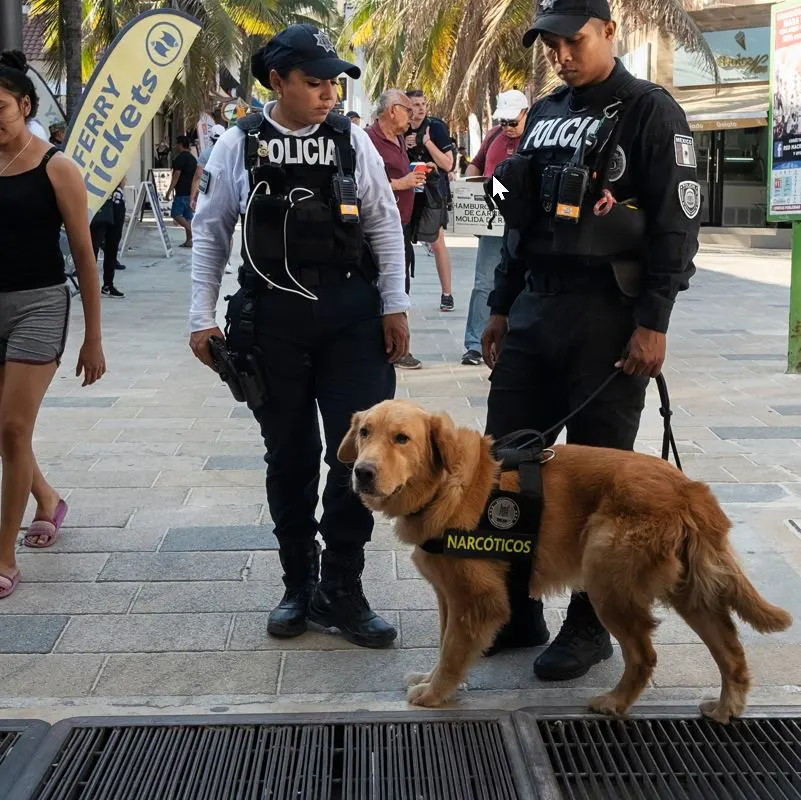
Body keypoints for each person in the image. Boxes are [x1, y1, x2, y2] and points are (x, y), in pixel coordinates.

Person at [481, 0, 700, 681]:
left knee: (598, 474)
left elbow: (675, 223)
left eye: (573, 41)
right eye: (550, 45)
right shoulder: (545, 113)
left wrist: (653, 320)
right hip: (535, 309)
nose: (561, 55)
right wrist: (498, 307)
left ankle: (589, 624)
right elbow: (521, 221)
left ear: (610, 32)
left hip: (607, 312)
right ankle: (517, 610)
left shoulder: (649, 110)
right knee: (509, 463)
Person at [188, 24, 410, 648]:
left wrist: (394, 306)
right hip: (272, 323)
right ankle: (297, 583)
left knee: (361, 456)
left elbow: (384, 224)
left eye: (333, 82)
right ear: (276, 82)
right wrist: (200, 317)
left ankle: (342, 585)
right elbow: (211, 233)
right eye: (313, 82)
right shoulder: (238, 144)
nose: (328, 94)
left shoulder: (352, 141)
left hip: (352, 319)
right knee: (289, 455)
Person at [0, 50, 106, 598]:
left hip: (39, 304)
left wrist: (93, 336)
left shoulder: (55, 166)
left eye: (1, 107)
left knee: (14, 428)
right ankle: (46, 498)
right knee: (3, 430)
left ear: (24, 105)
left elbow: (85, 255)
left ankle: (4, 554)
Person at [461, 89, 529, 366]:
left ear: (526, 114)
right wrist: (469, 189)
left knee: (521, 282)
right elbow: (475, 166)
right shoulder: (493, 136)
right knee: (483, 282)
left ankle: (514, 339)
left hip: (520, 219)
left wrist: (495, 189)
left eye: (513, 122)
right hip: (491, 219)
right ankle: (474, 344)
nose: (508, 128)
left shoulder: (535, 138)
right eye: (503, 122)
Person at [367, 89, 427, 370]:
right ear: (392, 110)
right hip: (377, 227)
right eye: (407, 107)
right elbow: (364, 187)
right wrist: (402, 183)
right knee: (387, 284)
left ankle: (399, 344)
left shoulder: (400, 139)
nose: (413, 113)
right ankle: (394, 347)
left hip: (402, 224)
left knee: (401, 283)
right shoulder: (369, 140)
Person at [405, 89, 455, 312]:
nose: (421, 108)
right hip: (407, 190)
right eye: (415, 104)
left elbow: (448, 164)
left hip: (433, 193)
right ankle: (400, 293)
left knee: (436, 242)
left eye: (423, 103)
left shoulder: (435, 127)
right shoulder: (401, 128)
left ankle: (447, 293)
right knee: (402, 242)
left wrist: (427, 144)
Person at [89, 181, 126, 298]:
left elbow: (122, 180)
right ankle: (88, 286)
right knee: (93, 245)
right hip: (99, 202)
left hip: (116, 202)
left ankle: (108, 285)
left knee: (112, 245)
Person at [166, 134, 197, 248]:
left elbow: (176, 175)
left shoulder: (179, 158)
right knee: (187, 217)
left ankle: (193, 233)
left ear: (180, 145)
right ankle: (189, 241)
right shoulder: (193, 159)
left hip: (181, 192)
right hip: (190, 192)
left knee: (175, 214)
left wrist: (169, 191)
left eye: (177, 144)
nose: (175, 146)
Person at [191, 124, 226, 210]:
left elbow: (198, 177)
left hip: (209, 194)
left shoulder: (205, 153)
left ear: (210, 138)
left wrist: (192, 197)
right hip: (227, 194)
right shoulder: (232, 153)